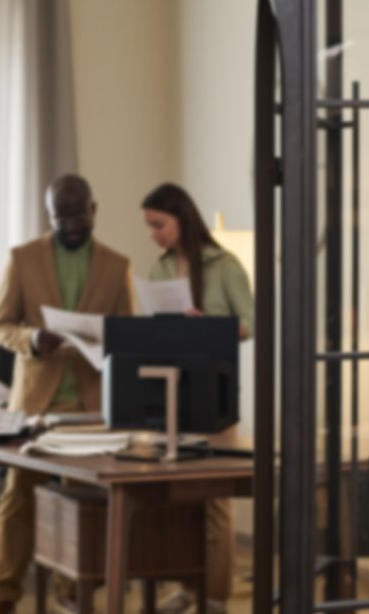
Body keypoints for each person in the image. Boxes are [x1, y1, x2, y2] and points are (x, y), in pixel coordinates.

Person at [0, 175, 133, 614]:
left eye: (77, 213)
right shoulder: (22, 259)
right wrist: (31, 340)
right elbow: (1, 326)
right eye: (59, 215)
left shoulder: (116, 265)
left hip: (92, 402)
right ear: (50, 214)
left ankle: (74, 589)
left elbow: (129, 333)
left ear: (93, 210)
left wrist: (106, 342)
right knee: (17, 496)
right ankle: (1, 594)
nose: (69, 223)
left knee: (83, 501)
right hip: (35, 404)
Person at [142, 182, 254, 613]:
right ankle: (188, 588)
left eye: (158, 224)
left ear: (181, 218)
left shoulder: (224, 266)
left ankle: (214, 597)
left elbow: (252, 322)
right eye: (149, 226)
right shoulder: (160, 267)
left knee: (215, 501)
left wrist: (208, 325)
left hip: (215, 395)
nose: (153, 233)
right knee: (176, 498)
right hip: (168, 394)